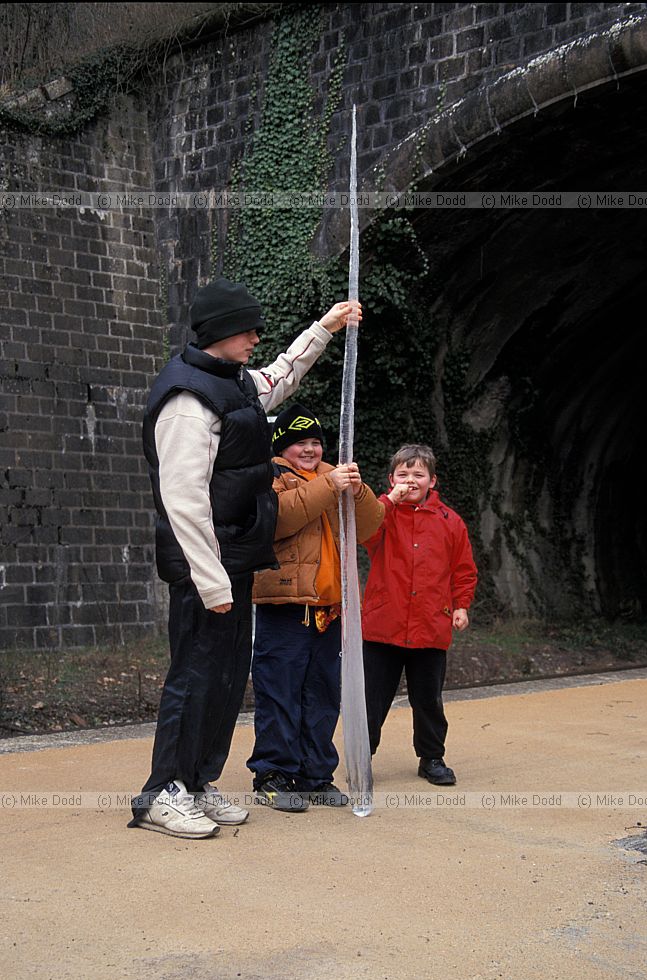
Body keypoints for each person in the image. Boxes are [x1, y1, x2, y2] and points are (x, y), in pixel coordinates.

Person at [129, 277, 359, 838]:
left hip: (235, 560)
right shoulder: (187, 400)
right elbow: (182, 502)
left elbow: (281, 376)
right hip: (203, 568)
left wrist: (325, 329)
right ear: (221, 331)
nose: (257, 336)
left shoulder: (232, 382)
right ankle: (162, 792)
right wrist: (212, 585)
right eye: (248, 328)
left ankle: (199, 782)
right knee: (193, 676)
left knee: (228, 679)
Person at [247, 402, 384, 811]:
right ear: (281, 445)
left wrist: (358, 491)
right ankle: (273, 774)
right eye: (299, 442)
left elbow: (372, 523)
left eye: (315, 442)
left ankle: (315, 775)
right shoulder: (268, 476)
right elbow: (279, 520)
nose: (309, 450)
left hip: (331, 608)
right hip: (286, 604)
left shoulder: (336, 478)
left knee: (323, 695)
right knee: (279, 693)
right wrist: (332, 485)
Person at [362, 443, 477, 786]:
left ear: (432, 480)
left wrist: (461, 605)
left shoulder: (450, 522)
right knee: (373, 698)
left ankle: (432, 757)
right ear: (391, 479)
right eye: (403, 474)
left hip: (430, 623)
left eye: (418, 474)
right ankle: (361, 757)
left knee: (428, 698)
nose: (410, 480)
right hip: (383, 624)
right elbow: (364, 531)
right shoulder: (382, 513)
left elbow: (463, 569)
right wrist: (388, 501)